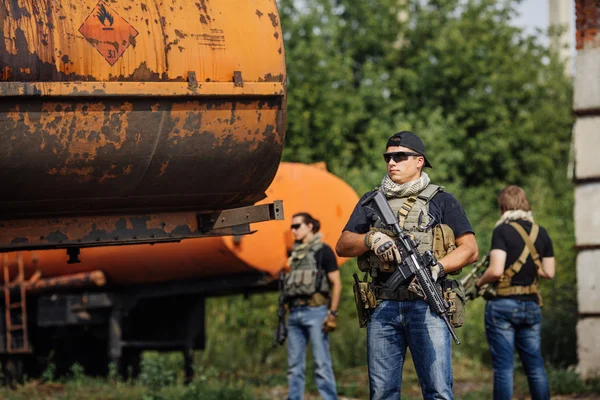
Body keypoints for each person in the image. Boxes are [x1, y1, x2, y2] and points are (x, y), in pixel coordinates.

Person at [336, 131, 478, 400]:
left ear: (419, 161)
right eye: (388, 157)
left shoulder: (442, 200)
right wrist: (371, 238)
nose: (392, 162)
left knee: (438, 391)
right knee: (382, 394)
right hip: (383, 306)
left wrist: (438, 268)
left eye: (400, 156)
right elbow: (342, 245)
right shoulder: (371, 200)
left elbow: (470, 250)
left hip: (427, 306)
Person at [476, 185, 555, 400]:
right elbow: (549, 272)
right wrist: (530, 264)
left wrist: (479, 282)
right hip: (531, 304)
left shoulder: (502, 230)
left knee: (504, 369)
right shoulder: (541, 232)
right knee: (535, 366)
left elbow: (496, 270)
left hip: (503, 305)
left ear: (503, 206)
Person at [284, 212, 341, 400]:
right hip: (294, 314)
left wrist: (332, 313)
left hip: (315, 312)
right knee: (294, 367)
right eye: (291, 227)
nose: (293, 230)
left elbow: (337, 283)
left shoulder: (323, 251)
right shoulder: (294, 254)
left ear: (309, 226)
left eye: (296, 226)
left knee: (322, 364)